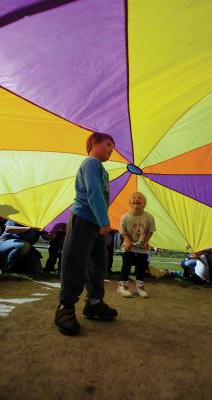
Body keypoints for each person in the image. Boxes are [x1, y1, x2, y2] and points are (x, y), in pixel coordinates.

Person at [55, 132, 118, 336]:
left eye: (113, 147)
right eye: (108, 144)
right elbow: (93, 192)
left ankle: (94, 302)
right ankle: (65, 306)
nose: (111, 149)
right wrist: (104, 220)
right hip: (83, 219)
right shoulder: (90, 163)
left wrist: (101, 223)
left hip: (96, 225)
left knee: (98, 263)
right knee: (75, 261)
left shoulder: (102, 170)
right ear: (93, 143)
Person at [117, 192, 156, 298]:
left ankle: (140, 286)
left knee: (142, 267)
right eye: (134, 198)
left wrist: (147, 241)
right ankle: (122, 286)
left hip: (142, 247)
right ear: (130, 202)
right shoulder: (125, 217)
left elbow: (150, 230)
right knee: (126, 265)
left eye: (140, 198)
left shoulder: (149, 217)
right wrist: (127, 241)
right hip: (129, 246)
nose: (136, 199)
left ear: (144, 203)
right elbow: (122, 231)